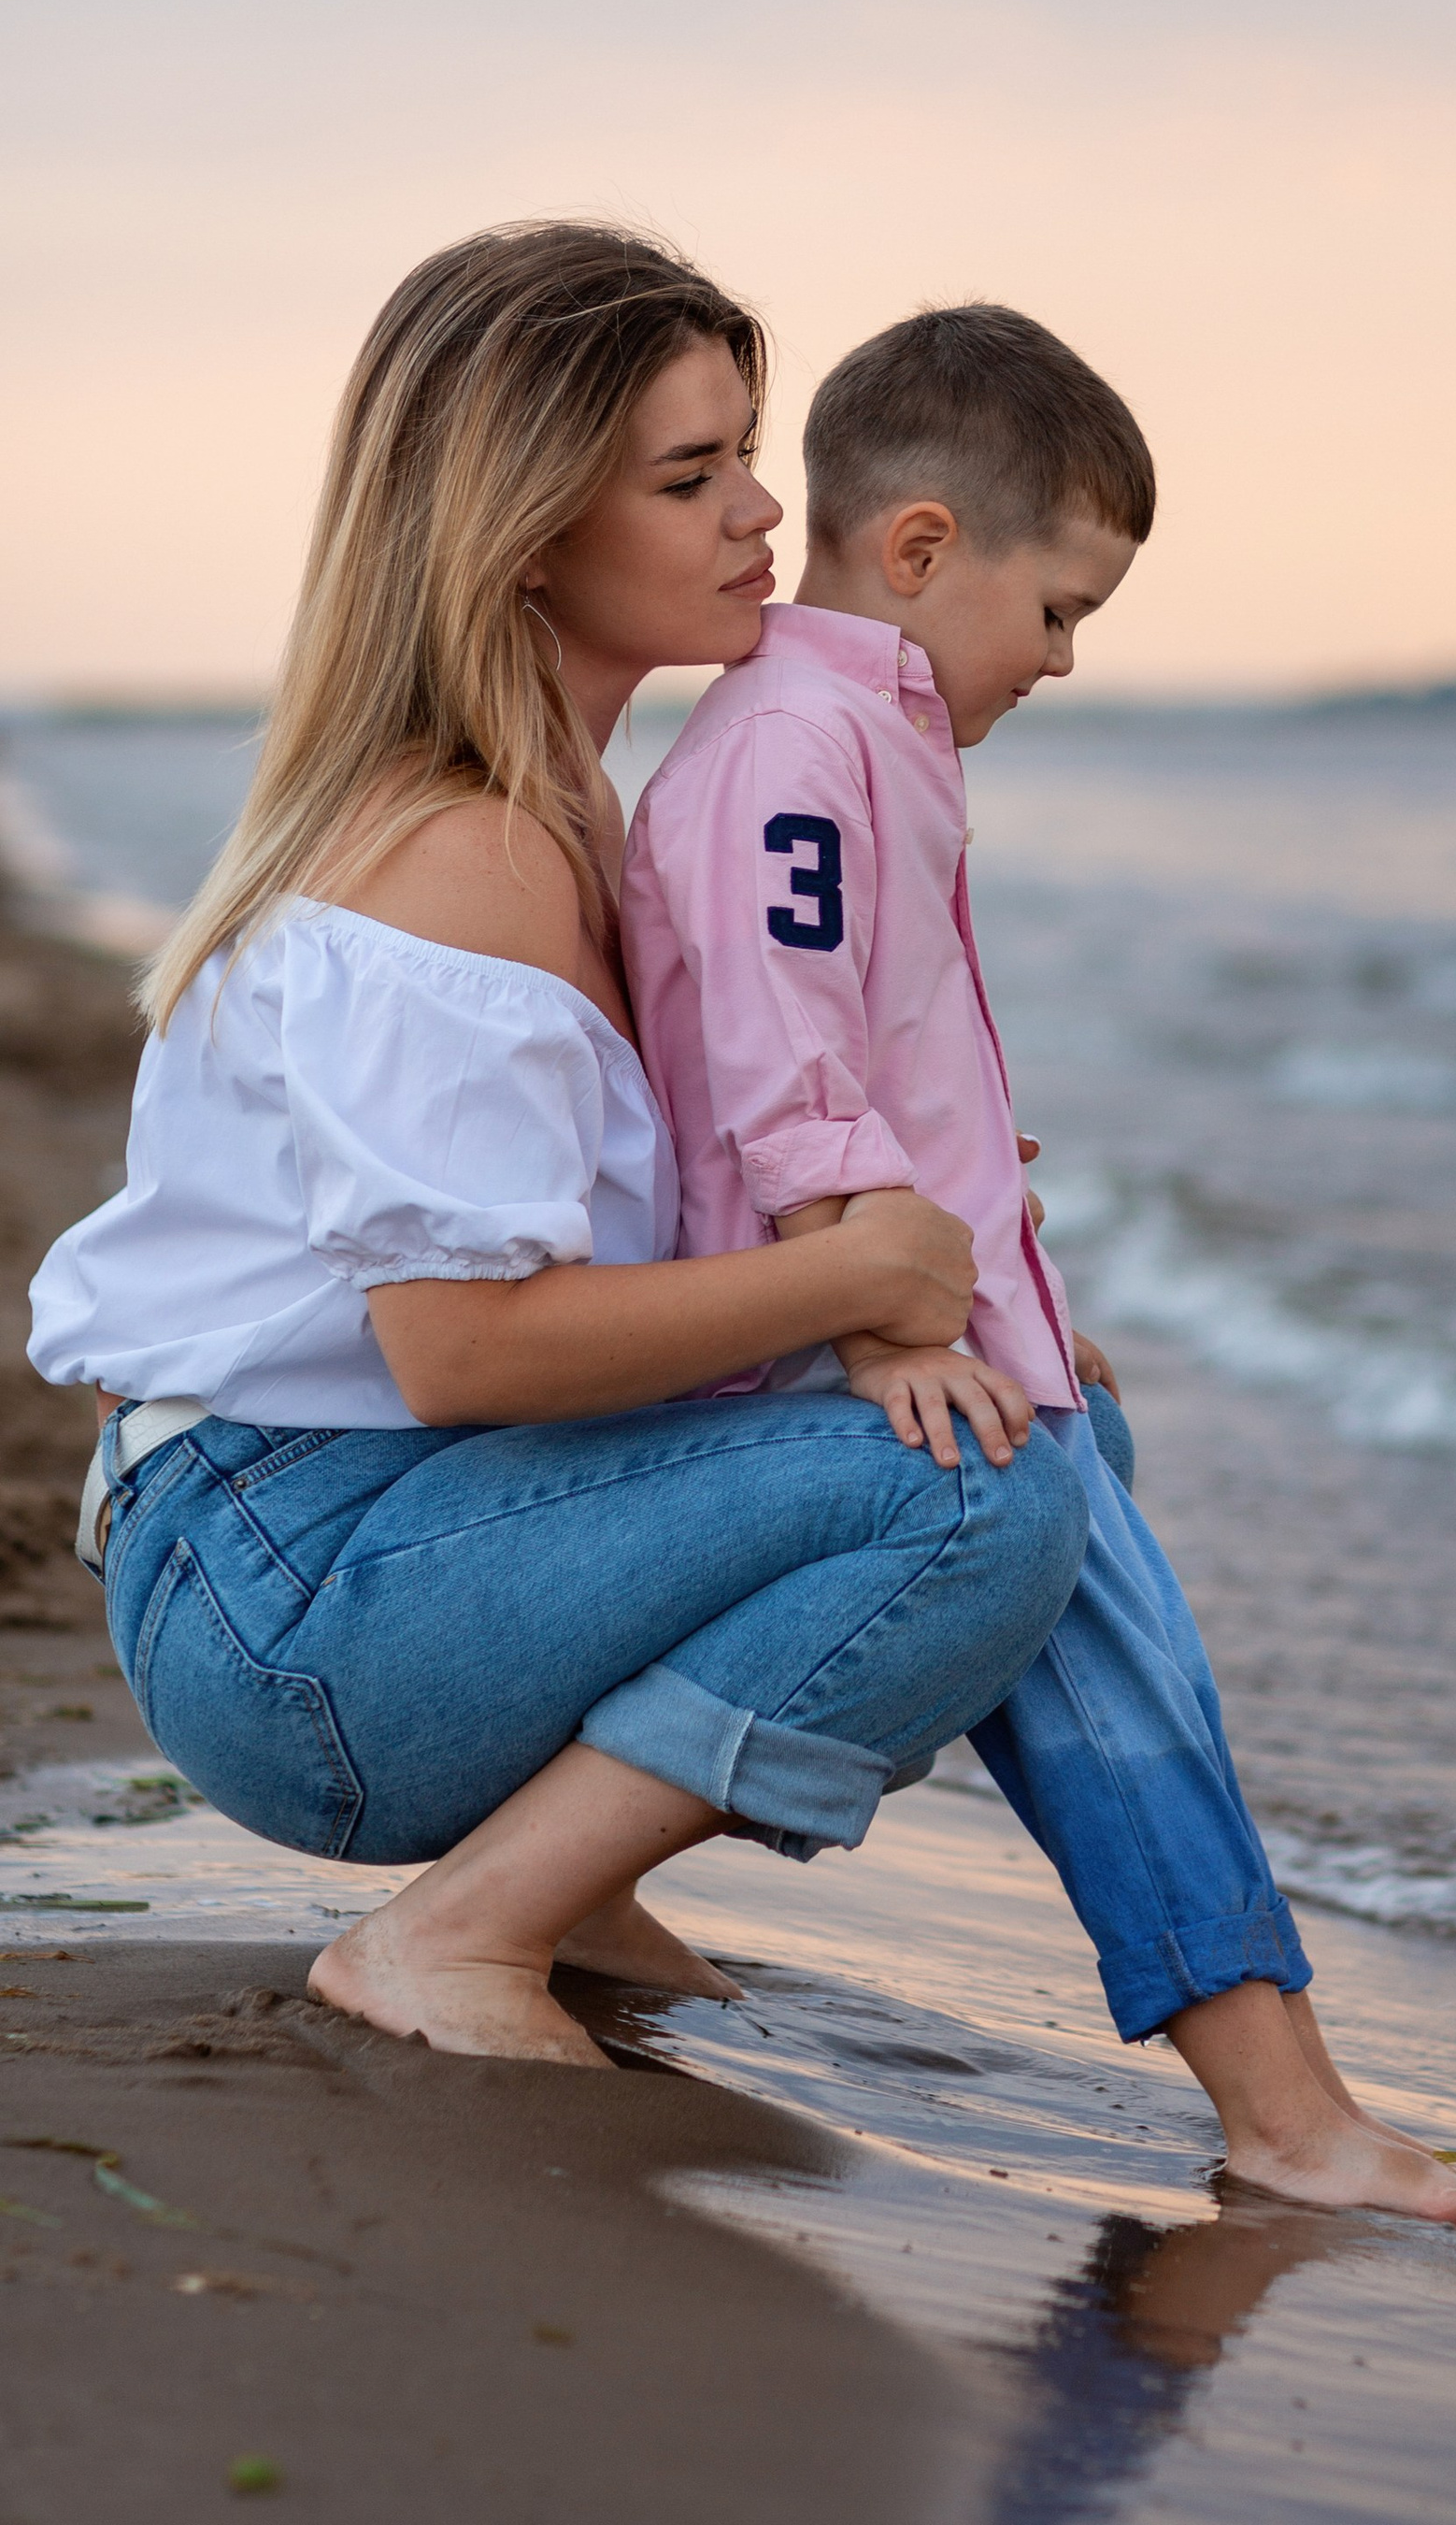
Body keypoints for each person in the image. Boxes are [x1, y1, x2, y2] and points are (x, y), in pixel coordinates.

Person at [26, 225, 1087, 2070]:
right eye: (693, 475)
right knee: (981, 1487)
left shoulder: (574, 810)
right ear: (522, 527)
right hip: (286, 1606)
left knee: (1008, 1393)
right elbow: (462, 1350)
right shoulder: (466, 853)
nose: (768, 510)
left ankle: (564, 1879)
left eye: (746, 449)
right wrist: (850, 1272)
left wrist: (909, 1242)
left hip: (331, 1539)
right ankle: (462, 1928)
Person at [621, 304, 1456, 2225]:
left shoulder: (861, 724)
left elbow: (903, 1075)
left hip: (882, 1304)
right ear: (929, 547)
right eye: (1059, 609)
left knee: (1087, 1487)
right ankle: (1280, 2108)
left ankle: (605, 1872)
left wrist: (1021, 1304)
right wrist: (881, 1322)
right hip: (812, 1333)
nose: (1060, 658)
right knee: (1108, 1632)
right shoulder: (799, 741)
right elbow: (780, 1064)